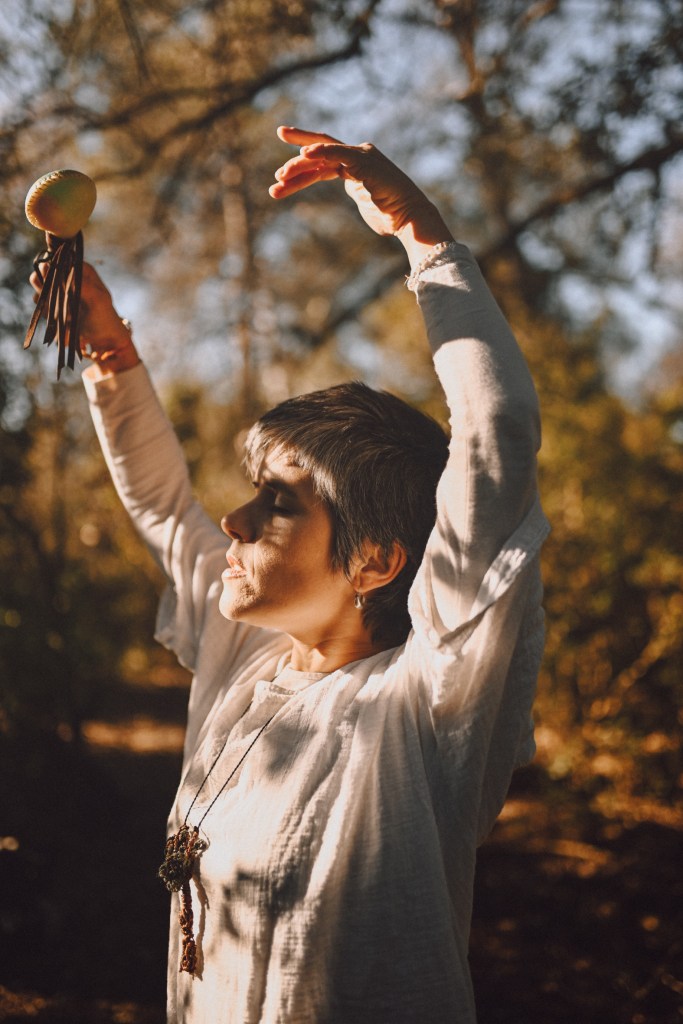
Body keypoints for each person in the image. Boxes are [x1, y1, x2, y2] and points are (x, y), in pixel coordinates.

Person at [33, 127, 549, 1023]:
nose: (231, 521)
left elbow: (495, 441)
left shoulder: (423, 703)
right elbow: (163, 505)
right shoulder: (246, 664)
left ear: (377, 561)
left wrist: (421, 237)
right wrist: (109, 352)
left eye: (277, 502)